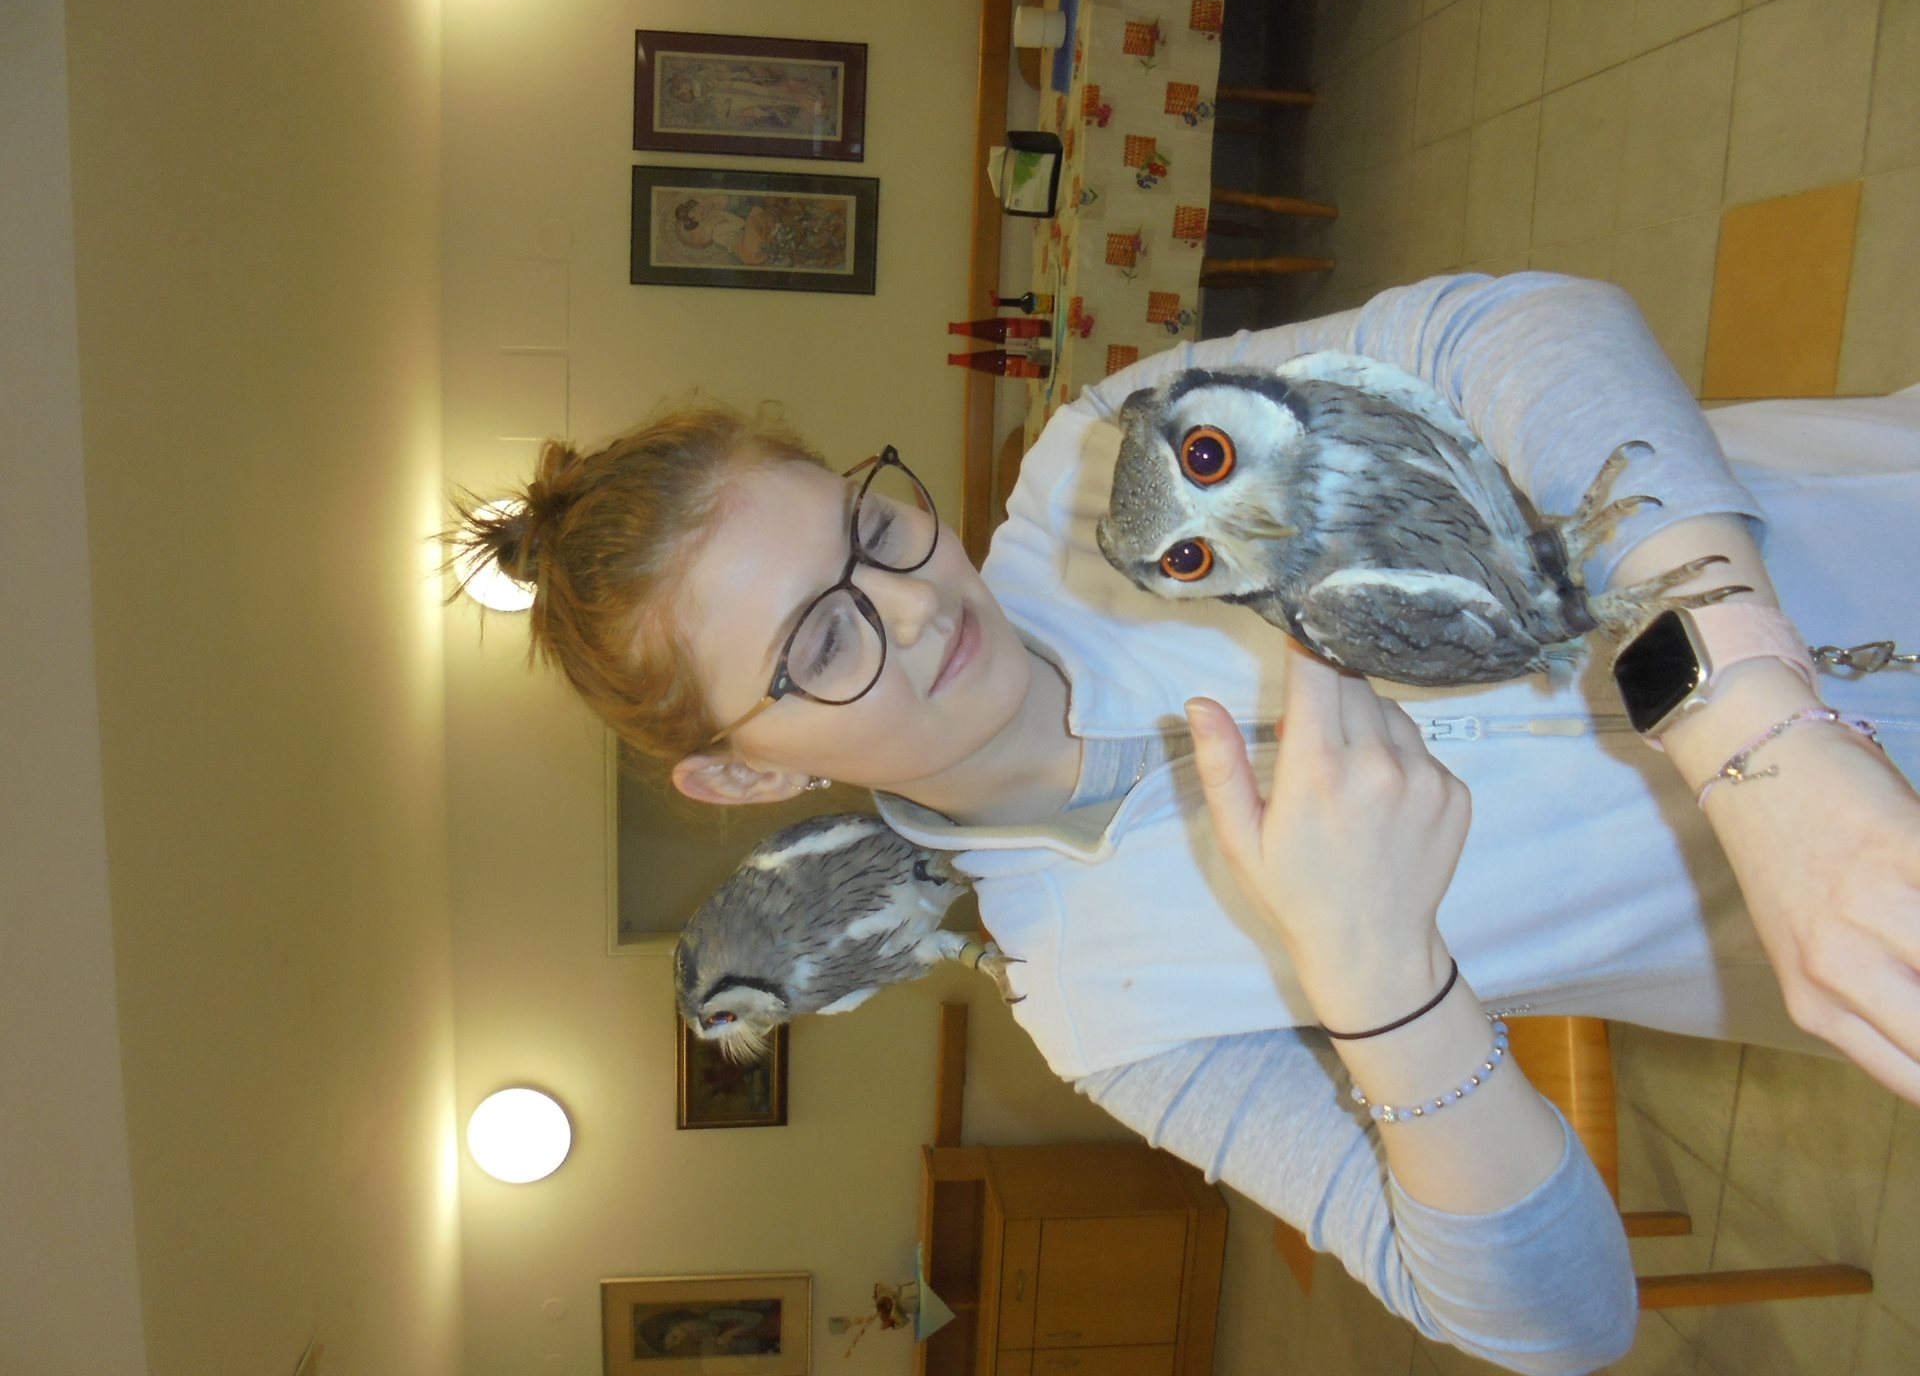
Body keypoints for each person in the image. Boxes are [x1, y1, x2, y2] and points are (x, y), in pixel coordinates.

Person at [455, 273, 1920, 1374]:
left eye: (874, 529)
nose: (914, 604)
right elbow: (1556, 1319)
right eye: (823, 642)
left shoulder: (1103, 466)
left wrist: (1751, 721)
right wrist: (1385, 988)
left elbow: (1524, 327)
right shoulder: (1104, 1008)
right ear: (749, 779)